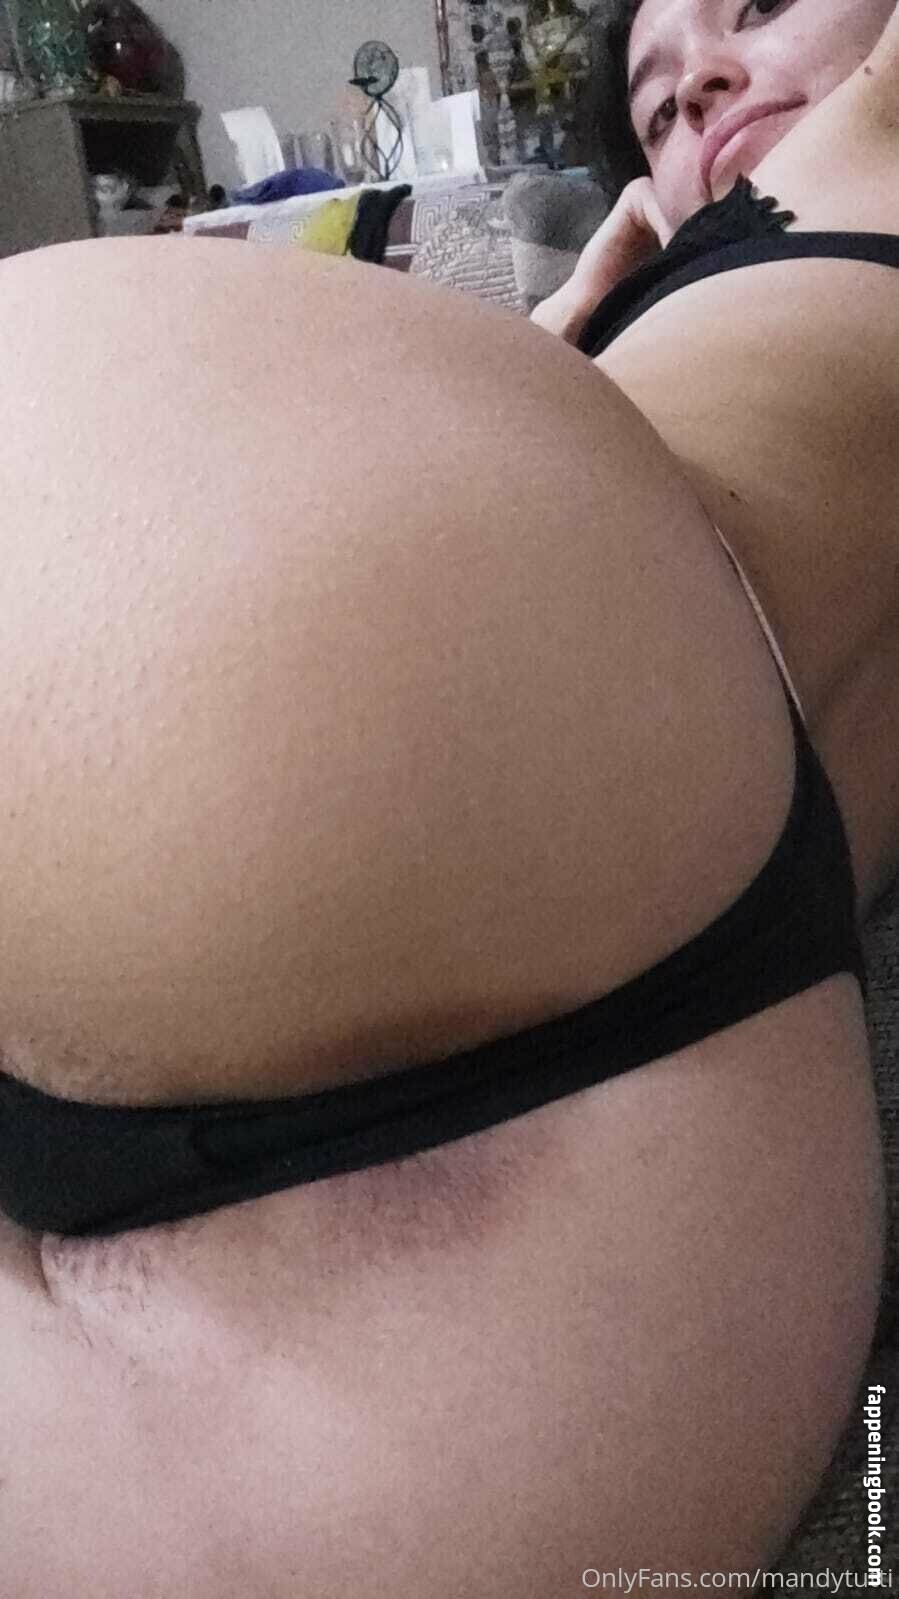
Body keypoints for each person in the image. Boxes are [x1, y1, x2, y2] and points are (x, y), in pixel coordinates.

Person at [0, 1, 896, 1590]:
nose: (697, 78)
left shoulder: (869, 143)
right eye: (655, 107)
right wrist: (589, 314)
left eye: (758, 6)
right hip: (698, 1048)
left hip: (412, 722)